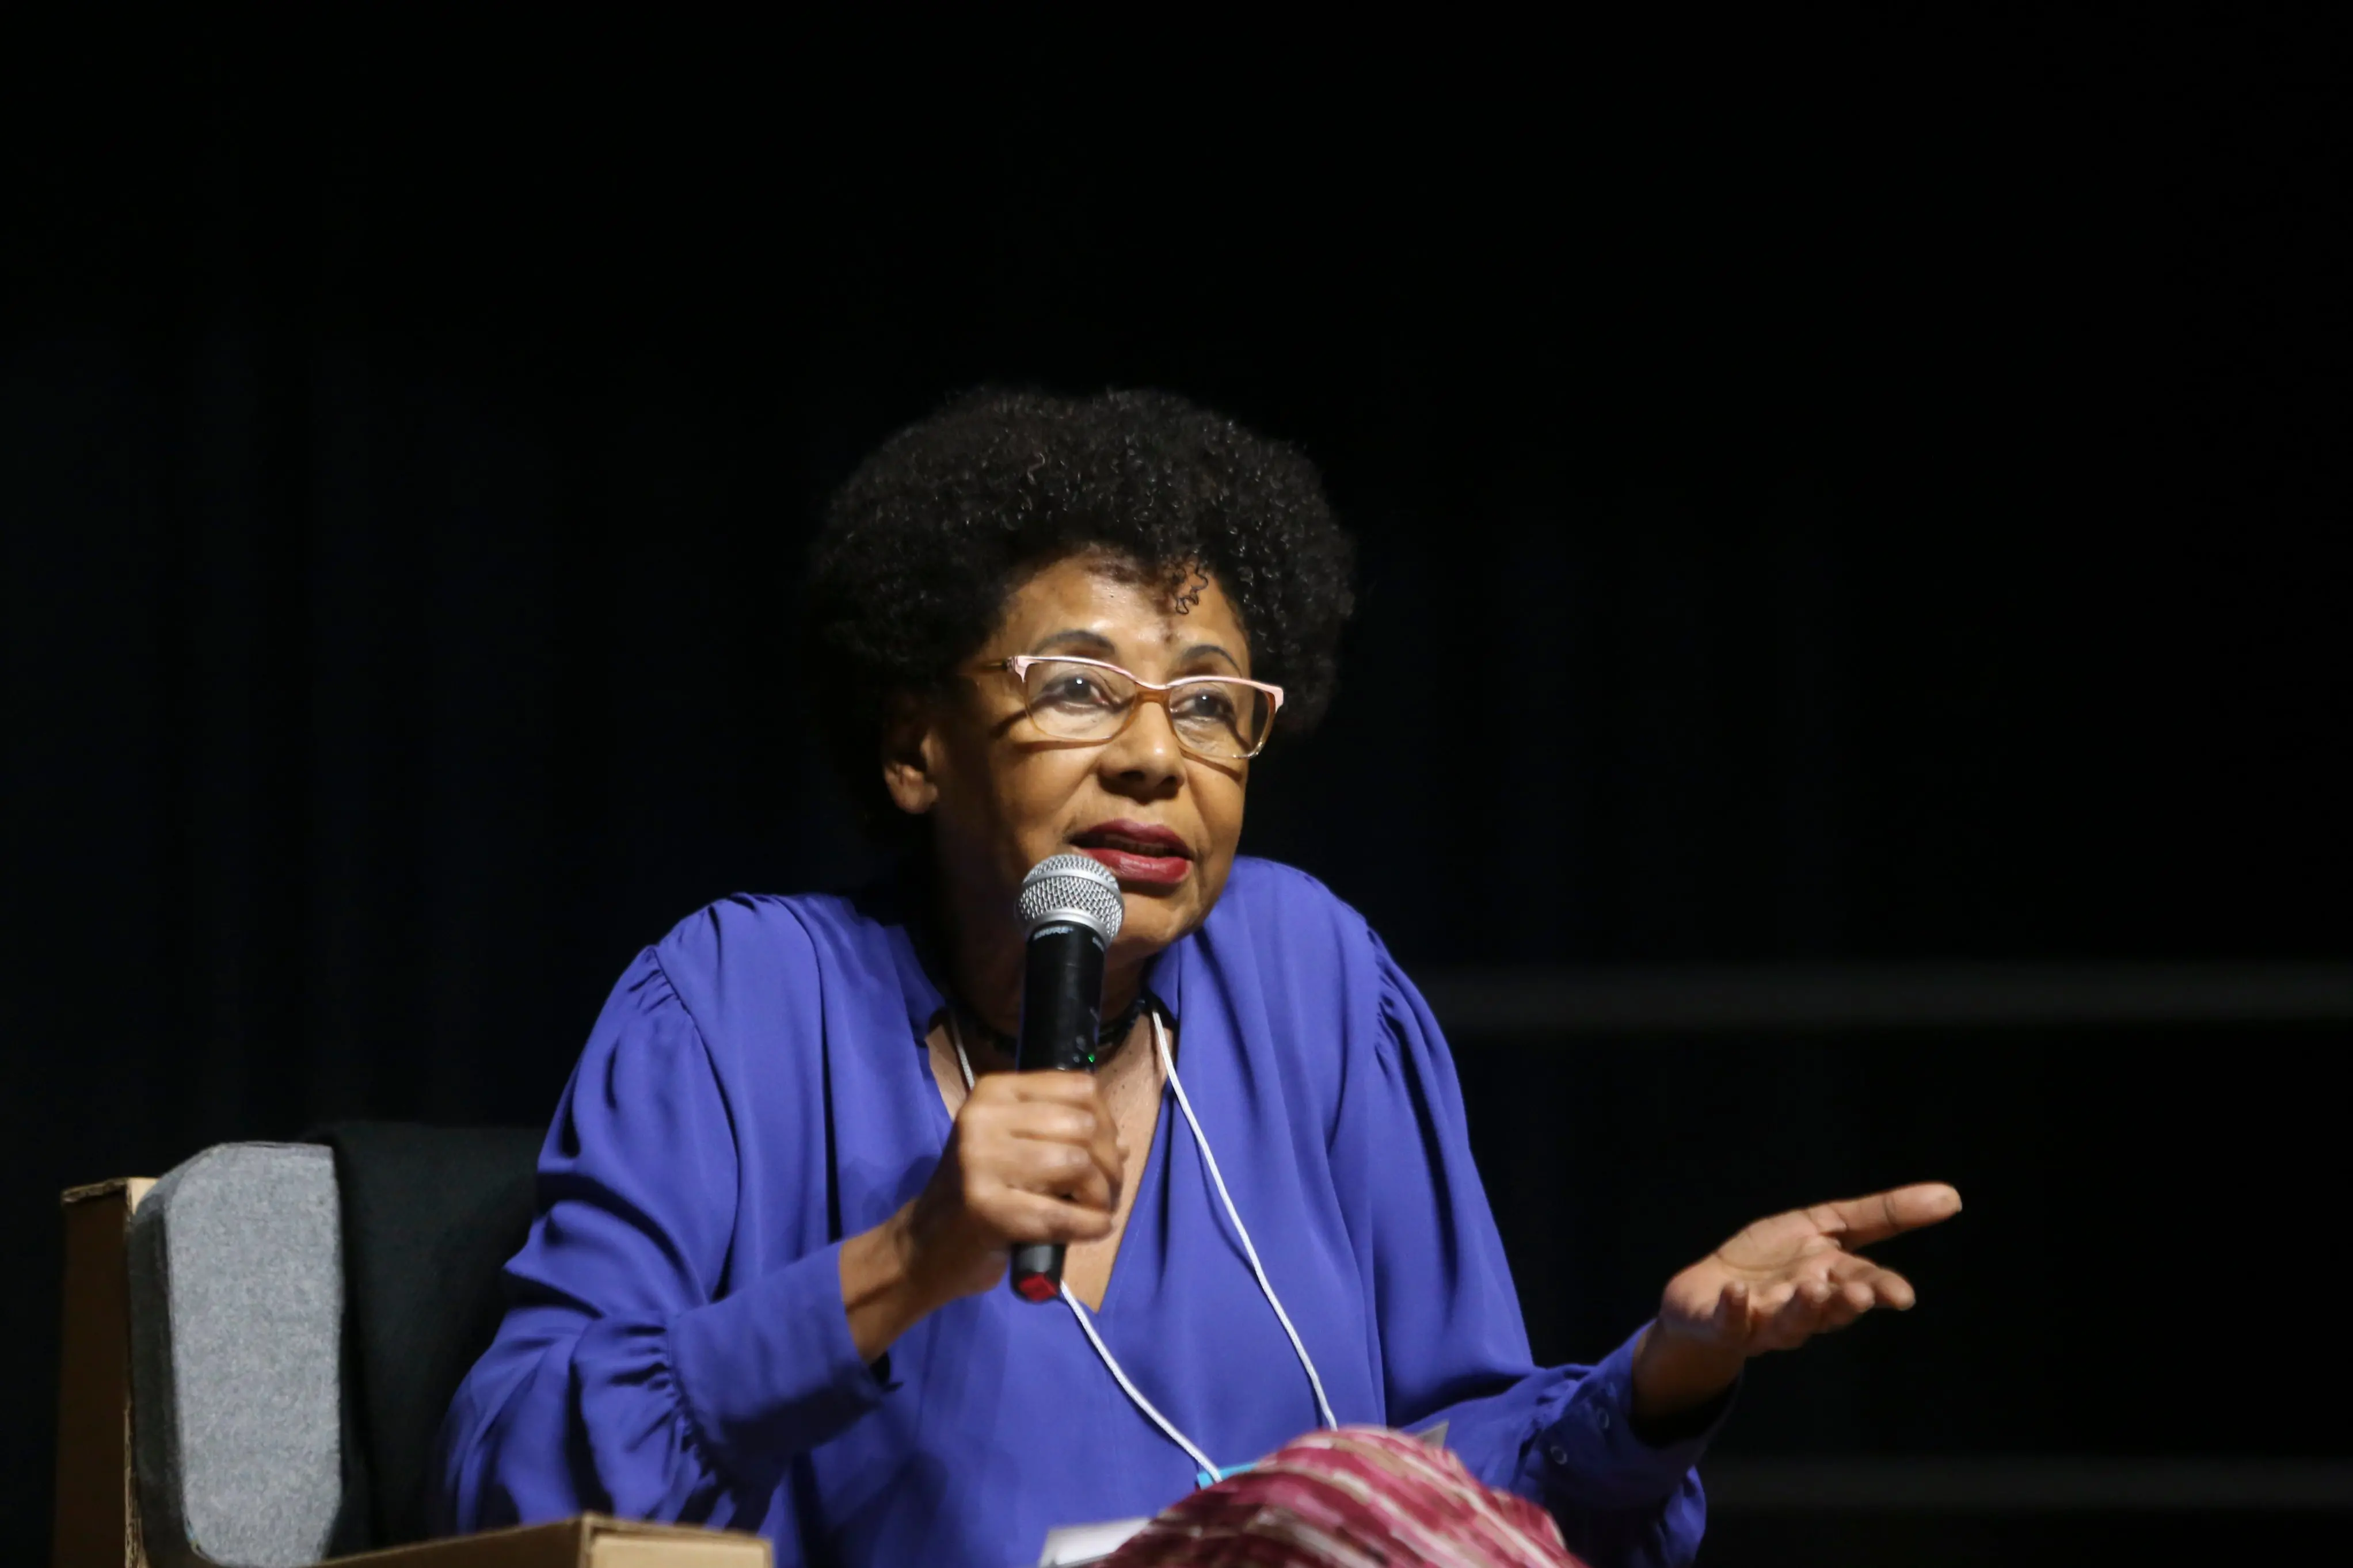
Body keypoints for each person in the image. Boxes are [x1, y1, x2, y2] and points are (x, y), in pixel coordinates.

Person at [433, 388, 1960, 1568]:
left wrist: (1664, 1376)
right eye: (1082, 687)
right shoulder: (735, 1005)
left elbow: (1444, 1493)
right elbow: (512, 1480)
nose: (1161, 753)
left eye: (1215, 702)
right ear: (914, 745)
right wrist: (909, 1255)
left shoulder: (1310, 978)